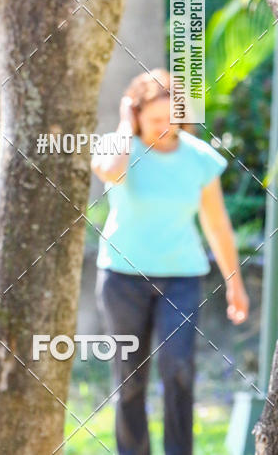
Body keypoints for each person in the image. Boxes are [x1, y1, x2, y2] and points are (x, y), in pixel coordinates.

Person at [91, 68, 249, 455]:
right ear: (137, 114)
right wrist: (126, 127)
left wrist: (235, 283)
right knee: (129, 381)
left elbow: (216, 224)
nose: (165, 128)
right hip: (122, 279)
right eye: (155, 120)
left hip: (180, 279)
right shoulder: (120, 148)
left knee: (178, 370)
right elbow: (109, 171)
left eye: (172, 119)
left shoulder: (198, 159)